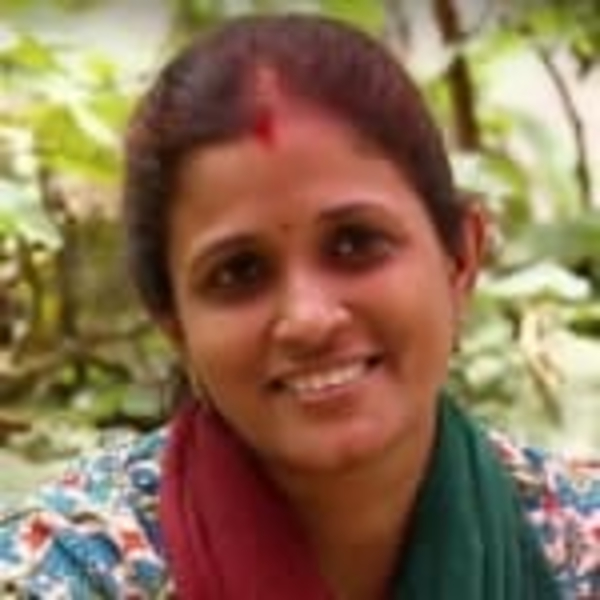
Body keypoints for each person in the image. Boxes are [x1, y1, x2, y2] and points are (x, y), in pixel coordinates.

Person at [0, 12, 598, 599]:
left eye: (355, 243)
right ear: (175, 325)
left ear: (460, 257)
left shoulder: (579, 542)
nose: (309, 319)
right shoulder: (64, 571)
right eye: (238, 272)